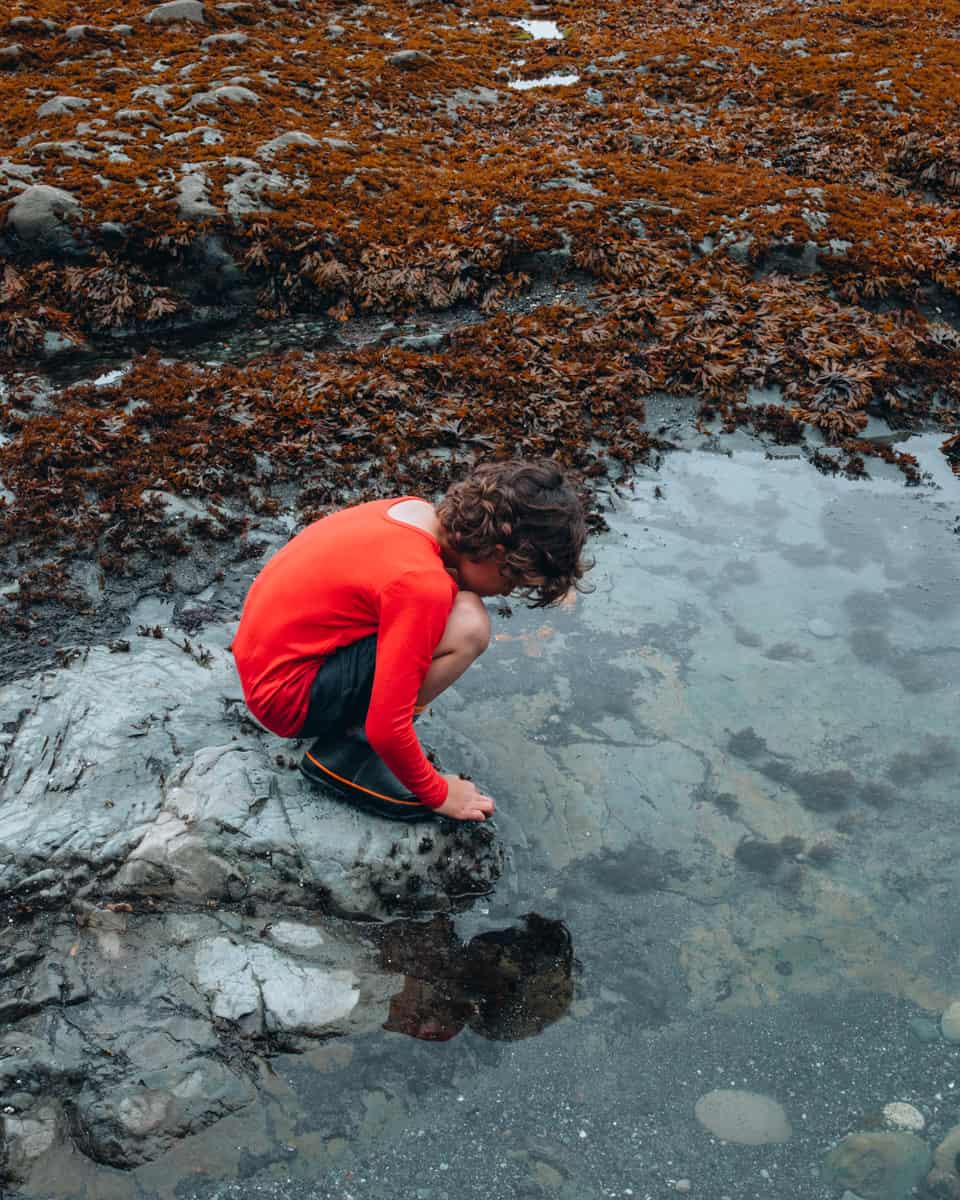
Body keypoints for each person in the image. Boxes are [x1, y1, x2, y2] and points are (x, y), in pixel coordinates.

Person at [232, 459, 589, 822]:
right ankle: (349, 754)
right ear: (498, 555)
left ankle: (352, 732)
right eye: (511, 582)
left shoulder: (413, 512)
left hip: (266, 661)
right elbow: (388, 727)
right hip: (288, 700)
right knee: (469, 624)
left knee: (451, 604)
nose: (504, 593)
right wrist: (439, 793)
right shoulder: (423, 585)